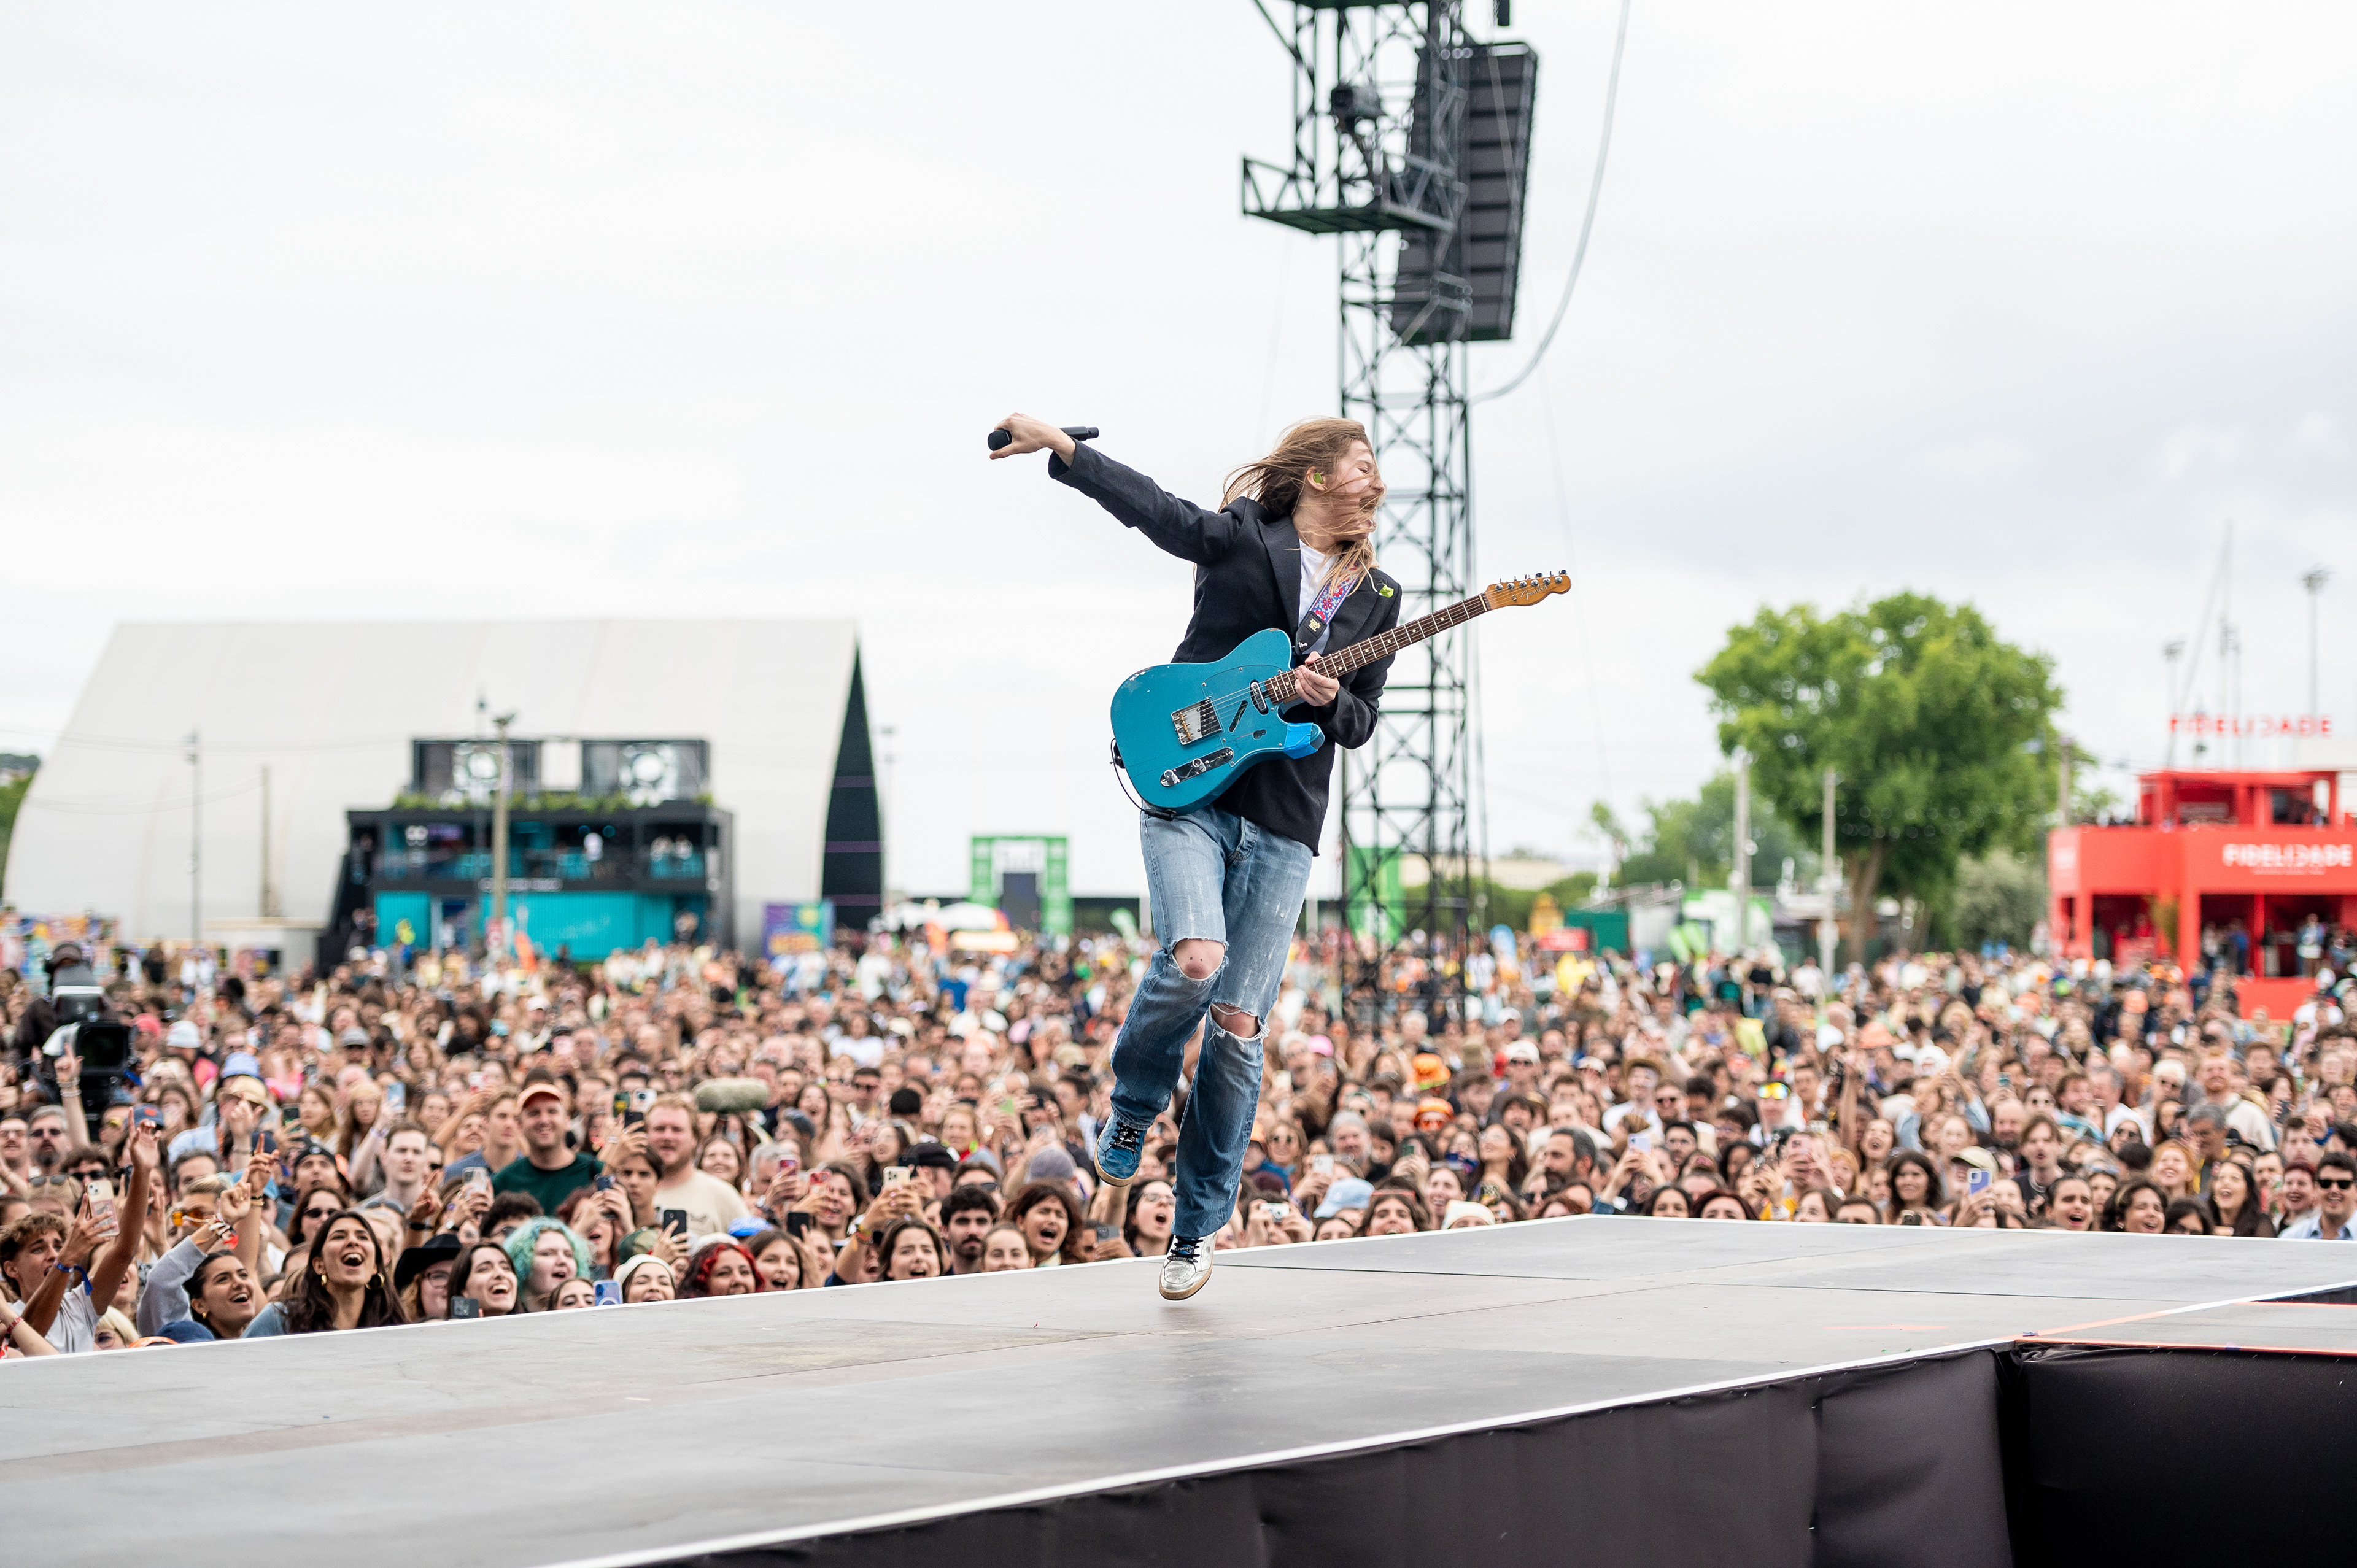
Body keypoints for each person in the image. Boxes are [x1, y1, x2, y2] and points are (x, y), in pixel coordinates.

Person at [996, 412, 1399, 1301]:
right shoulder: (1242, 538)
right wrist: (1066, 453)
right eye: (1363, 465)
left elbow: (1363, 722)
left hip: (1287, 817)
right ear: (1320, 476)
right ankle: (1134, 1105)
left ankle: (1195, 1223)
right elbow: (1158, 512)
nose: (1377, 481)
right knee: (1194, 961)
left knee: (1239, 1028)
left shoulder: (1379, 596)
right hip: (1189, 787)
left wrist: (1331, 703)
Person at [245, 1210, 408, 1336]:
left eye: (363, 1237)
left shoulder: (395, 1329)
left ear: (375, 1267)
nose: (353, 1241)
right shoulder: (279, 1320)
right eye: (339, 1237)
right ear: (319, 1265)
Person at [492, 1084, 602, 1217]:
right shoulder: (505, 1180)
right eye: (534, 1113)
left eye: (552, 1112)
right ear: (519, 1125)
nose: (544, 1120)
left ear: (567, 1121)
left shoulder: (595, 1170)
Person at [2280, 1151, 2357, 1240]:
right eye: (2326, 1183)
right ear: (2316, 1189)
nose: (2334, 1190)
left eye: (2343, 1184)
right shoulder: (2292, 1238)